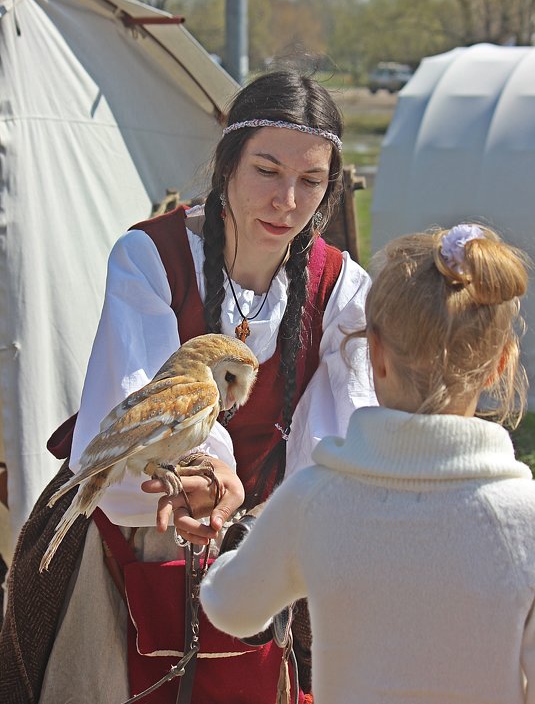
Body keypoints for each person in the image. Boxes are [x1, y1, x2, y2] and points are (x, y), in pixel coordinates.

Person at [0, 70, 376, 704]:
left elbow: (346, 434)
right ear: (227, 163)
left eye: (310, 180)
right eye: (266, 170)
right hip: (131, 521)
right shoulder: (150, 256)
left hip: (261, 546)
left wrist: (270, 523)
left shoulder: (339, 288)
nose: (287, 199)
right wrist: (209, 476)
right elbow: (140, 393)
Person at [200, 223, 535, 704]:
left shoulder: (313, 498)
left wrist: (235, 546)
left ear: (373, 351)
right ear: (500, 364)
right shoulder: (526, 518)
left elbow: (231, 609)